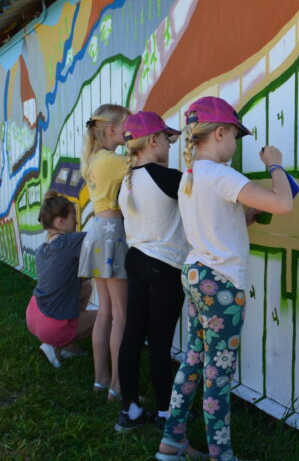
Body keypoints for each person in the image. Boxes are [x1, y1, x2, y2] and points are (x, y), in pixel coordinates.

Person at [157, 97, 293, 461]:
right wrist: (275, 164)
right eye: (235, 135)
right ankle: (222, 455)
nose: (236, 144)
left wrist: (242, 218)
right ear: (219, 133)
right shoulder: (221, 175)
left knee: (192, 360)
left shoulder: (191, 175)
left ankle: (172, 441)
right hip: (221, 285)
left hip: (197, 274)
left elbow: (215, 223)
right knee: (218, 375)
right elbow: (283, 203)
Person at [114, 111, 186, 432]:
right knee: (159, 343)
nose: (171, 147)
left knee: (132, 335)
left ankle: (129, 409)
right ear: (154, 140)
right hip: (164, 267)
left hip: (137, 260)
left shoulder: (127, 181)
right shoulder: (168, 178)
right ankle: (166, 414)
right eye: (168, 140)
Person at [78, 104, 130, 400]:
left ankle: (101, 380)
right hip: (112, 233)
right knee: (121, 315)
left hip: (96, 231)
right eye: (127, 126)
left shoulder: (93, 158)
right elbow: (147, 168)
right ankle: (118, 386)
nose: (131, 131)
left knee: (104, 312)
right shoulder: (113, 160)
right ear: (111, 130)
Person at [25, 190, 97, 368]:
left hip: (34, 314)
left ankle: (66, 346)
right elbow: (100, 237)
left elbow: (68, 277)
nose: (77, 223)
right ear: (60, 221)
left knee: (86, 288)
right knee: (106, 318)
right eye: (74, 219)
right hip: (51, 324)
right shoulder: (70, 241)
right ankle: (57, 344)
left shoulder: (43, 249)